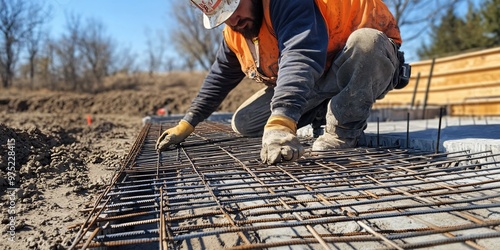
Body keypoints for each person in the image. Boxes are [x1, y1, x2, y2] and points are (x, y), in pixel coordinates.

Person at [156, 0, 410, 164]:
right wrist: (187, 123)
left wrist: (283, 120)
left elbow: (301, 54)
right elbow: (219, 77)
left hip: (364, 58)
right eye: (223, 17)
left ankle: (343, 133)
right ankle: (324, 107)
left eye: (233, 9)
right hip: (319, 74)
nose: (232, 20)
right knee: (243, 122)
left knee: (367, 43)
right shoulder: (235, 31)